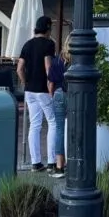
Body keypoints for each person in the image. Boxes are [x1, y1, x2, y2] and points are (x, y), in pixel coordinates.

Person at [17, 15, 56, 173]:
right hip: (43, 90)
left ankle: (36, 162)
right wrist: (50, 84)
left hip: (30, 91)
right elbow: (48, 67)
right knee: (52, 123)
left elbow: (19, 68)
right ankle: (52, 161)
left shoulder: (27, 44)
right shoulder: (49, 44)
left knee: (35, 125)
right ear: (47, 28)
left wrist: (25, 82)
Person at [47, 36, 70, 179]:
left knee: (59, 129)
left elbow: (50, 83)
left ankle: (60, 166)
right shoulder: (81, 61)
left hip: (59, 94)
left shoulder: (57, 60)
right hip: (76, 95)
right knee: (77, 128)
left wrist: (53, 96)